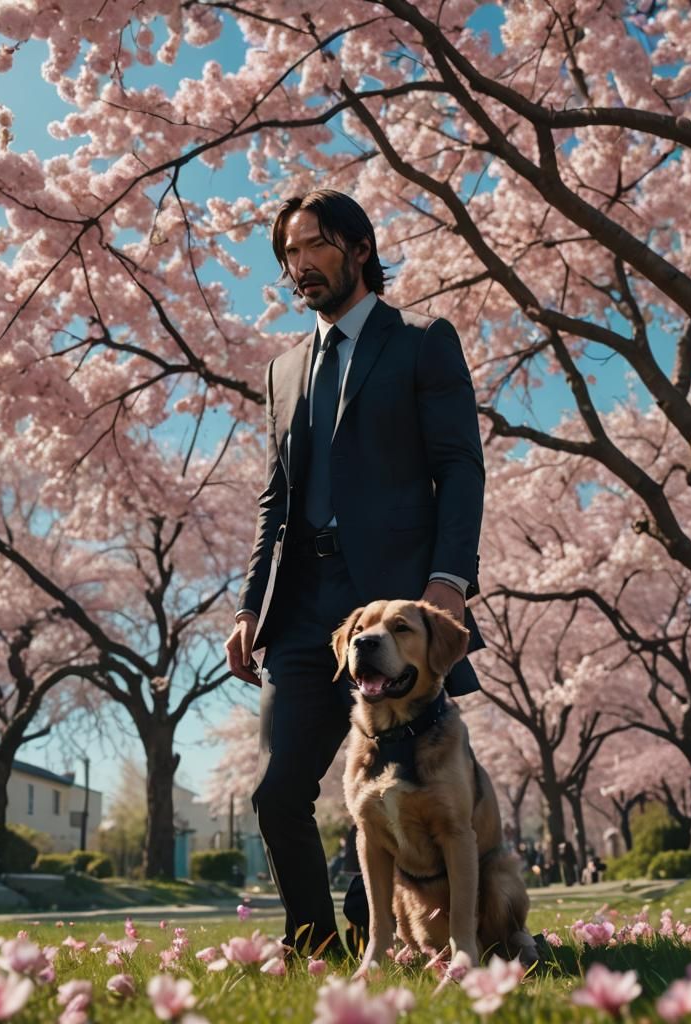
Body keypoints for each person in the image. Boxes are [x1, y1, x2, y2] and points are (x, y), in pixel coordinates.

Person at [224, 189, 485, 956]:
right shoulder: (282, 371)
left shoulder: (422, 342)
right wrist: (249, 605)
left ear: (360, 248)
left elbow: (458, 466)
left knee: (403, 784)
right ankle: (315, 946)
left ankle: (380, 932)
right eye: (289, 254)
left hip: (393, 611)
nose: (300, 265)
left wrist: (448, 579)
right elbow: (276, 498)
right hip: (302, 607)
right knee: (277, 792)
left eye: (315, 245)